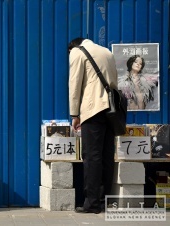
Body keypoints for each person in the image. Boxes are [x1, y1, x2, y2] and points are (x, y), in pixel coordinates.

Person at [68, 38, 118, 214]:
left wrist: (75, 114)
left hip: (93, 109)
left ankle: (92, 203)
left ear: (72, 47)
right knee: (106, 155)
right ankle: (104, 200)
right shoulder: (107, 52)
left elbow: (75, 84)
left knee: (92, 156)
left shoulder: (77, 52)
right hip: (112, 111)